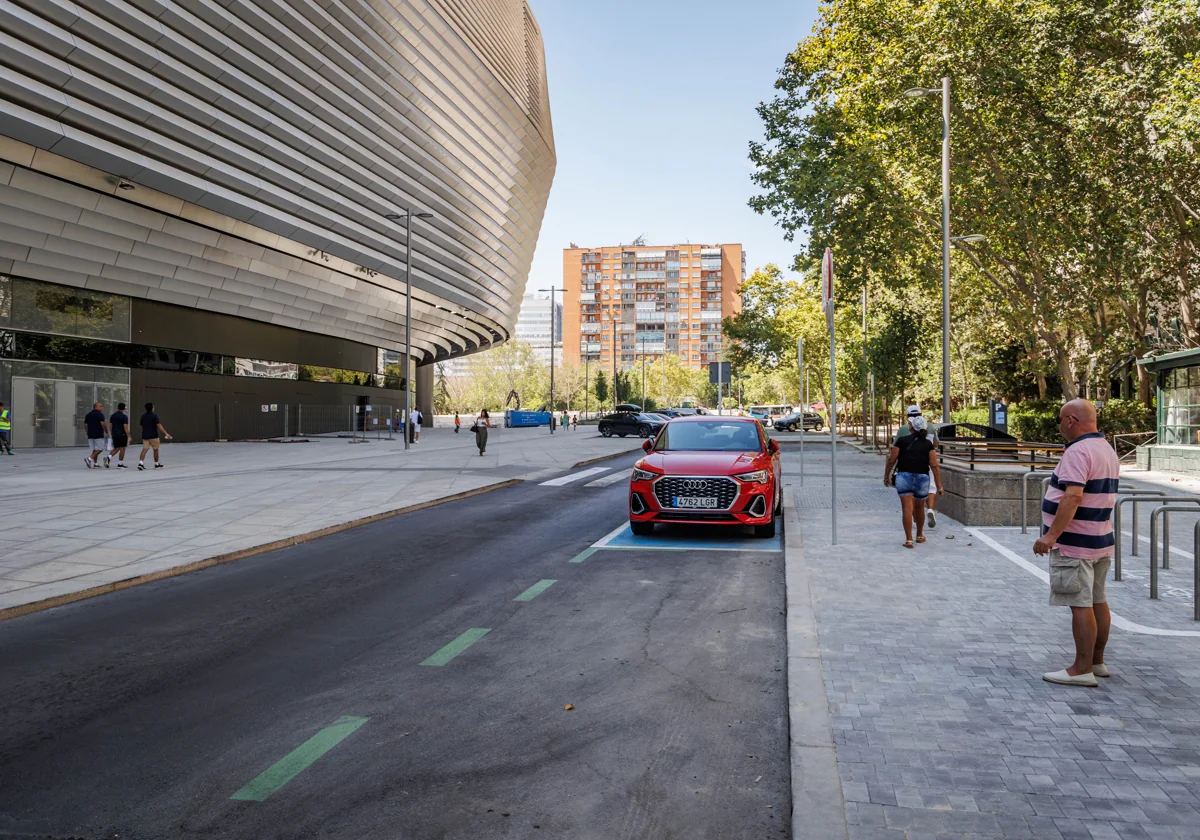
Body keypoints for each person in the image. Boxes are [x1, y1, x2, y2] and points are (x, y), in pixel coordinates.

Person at [1034, 399, 1119, 688]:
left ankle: (1081, 668)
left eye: (1060, 420)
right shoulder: (1105, 448)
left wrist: (1050, 536)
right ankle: (1097, 661)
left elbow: (1072, 496)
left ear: (1071, 420)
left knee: (1080, 604)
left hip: (1075, 543)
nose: (1059, 425)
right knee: (1097, 601)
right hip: (1100, 539)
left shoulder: (1078, 451)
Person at [884, 415, 944, 549]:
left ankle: (909, 540)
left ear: (911, 426)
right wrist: (939, 485)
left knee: (907, 508)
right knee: (919, 507)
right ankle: (920, 535)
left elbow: (892, 460)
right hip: (922, 477)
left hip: (904, 476)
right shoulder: (928, 444)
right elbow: (934, 465)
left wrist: (886, 476)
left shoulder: (902, 440)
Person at [894, 405, 941, 529]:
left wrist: (887, 472)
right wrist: (940, 484)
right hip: (926, 464)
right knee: (931, 488)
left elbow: (894, 451)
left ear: (908, 417)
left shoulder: (904, 428)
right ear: (921, 413)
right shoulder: (929, 426)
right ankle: (930, 509)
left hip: (907, 467)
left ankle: (913, 522)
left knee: (910, 497)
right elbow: (936, 444)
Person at [137, 402, 172, 470]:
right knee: (155, 449)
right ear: (152, 408)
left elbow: (141, 425)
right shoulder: (155, 416)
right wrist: (166, 433)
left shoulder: (143, 416)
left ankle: (141, 463)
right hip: (153, 435)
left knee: (145, 449)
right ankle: (156, 464)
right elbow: (158, 425)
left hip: (145, 435)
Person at [106, 402, 131, 469]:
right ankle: (120, 463)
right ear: (124, 409)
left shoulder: (113, 416)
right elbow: (125, 427)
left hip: (114, 434)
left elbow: (110, 425)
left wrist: (111, 433)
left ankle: (109, 457)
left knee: (117, 448)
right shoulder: (124, 416)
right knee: (122, 448)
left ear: (117, 408)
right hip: (122, 434)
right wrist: (129, 436)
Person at [83, 402, 108, 469]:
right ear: (96, 407)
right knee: (100, 448)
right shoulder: (100, 415)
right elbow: (103, 424)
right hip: (98, 434)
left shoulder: (88, 415)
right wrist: (106, 432)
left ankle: (96, 463)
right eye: (101, 406)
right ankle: (89, 459)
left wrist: (87, 432)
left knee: (94, 449)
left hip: (90, 434)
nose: (102, 407)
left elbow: (86, 425)